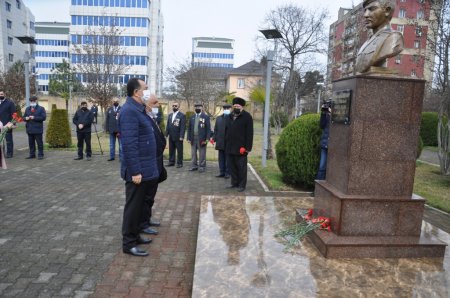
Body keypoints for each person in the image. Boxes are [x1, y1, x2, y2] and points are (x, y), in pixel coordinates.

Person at [118, 77, 158, 257]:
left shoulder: (139, 109)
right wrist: (135, 171)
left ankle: (136, 236)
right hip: (137, 171)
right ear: (136, 92)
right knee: (133, 207)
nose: (148, 92)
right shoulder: (129, 111)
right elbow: (129, 144)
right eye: (146, 89)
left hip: (146, 167)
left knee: (140, 205)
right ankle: (128, 243)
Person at [140, 93, 166, 236]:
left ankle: (147, 219)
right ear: (146, 104)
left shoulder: (152, 117)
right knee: (146, 195)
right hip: (150, 163)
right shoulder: (144, 118)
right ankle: (143, 224)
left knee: (151, 194)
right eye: (155, 102)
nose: (158, 105)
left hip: (157, 160)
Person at [355, 0, 403, 73]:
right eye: (365, 10)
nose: (365, 15)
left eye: (372, 9)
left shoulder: (394, 38)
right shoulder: (367, 42)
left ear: (387, 11)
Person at [225, 97, 253, 192]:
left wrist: (247, 148)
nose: (236, 107)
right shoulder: (229, 116)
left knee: (241, 167)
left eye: (238, 106)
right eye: (235, 106)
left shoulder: (247, 117)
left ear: (242, 107)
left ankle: (242, 185)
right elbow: (227, 131)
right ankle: (234, 183)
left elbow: (250, 134)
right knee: (232, 166)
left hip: (241, 147)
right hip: (230, 146)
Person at [187, 103, 211, 173]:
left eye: (199, 107)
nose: (197, 108)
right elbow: (189, 129)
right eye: (196, 107)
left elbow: (208, 129)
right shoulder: (192, 117)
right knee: (193, 153)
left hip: (202, 138)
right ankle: (194, 165)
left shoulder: (205, 117)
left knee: (202, 153)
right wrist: (188, 138)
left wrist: (207, 139)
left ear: (202, 108)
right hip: (193, 138)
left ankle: (202, 166)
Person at [212, 104, 232, 178]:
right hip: (220, 141)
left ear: (230, 109)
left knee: (228, 158)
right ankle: (222, 172)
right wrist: (214, 138)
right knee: (221, 158)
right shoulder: (219, 118)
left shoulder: (233, 118)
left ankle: (228, 173)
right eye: (225, 108)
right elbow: (216, 129)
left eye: (228, 108)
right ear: (223, 109)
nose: (226, 109)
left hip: (229, 142)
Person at [165, 102, 186, 168]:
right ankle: (171, 161)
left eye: (176, 106)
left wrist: (181, 136)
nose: (174, 107)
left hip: (178, 136)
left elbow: (183, 127)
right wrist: (166, 134)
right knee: (171, 149)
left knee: (179, 150)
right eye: (173, 106)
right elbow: (168, 125)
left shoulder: (182, 115)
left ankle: (180, 163)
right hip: (171, 136)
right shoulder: (170, 115)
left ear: (178, 107)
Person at [316, 100, 332, 180]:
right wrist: (323, 114)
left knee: (332, 168)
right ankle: (318, 187)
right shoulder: (326, 116)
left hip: (333, 146)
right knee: (322, 167)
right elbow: (321, 125)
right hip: (325, 144)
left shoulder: (337, 117)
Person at [0, 90, 16, 158]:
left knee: (8, 140)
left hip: (7, 125)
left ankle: (9, 153)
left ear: (5, 94)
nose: (0, 95)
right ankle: (1, 154)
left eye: (1, 94)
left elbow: (14, 114)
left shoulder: (10, 103)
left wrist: (12, 123)